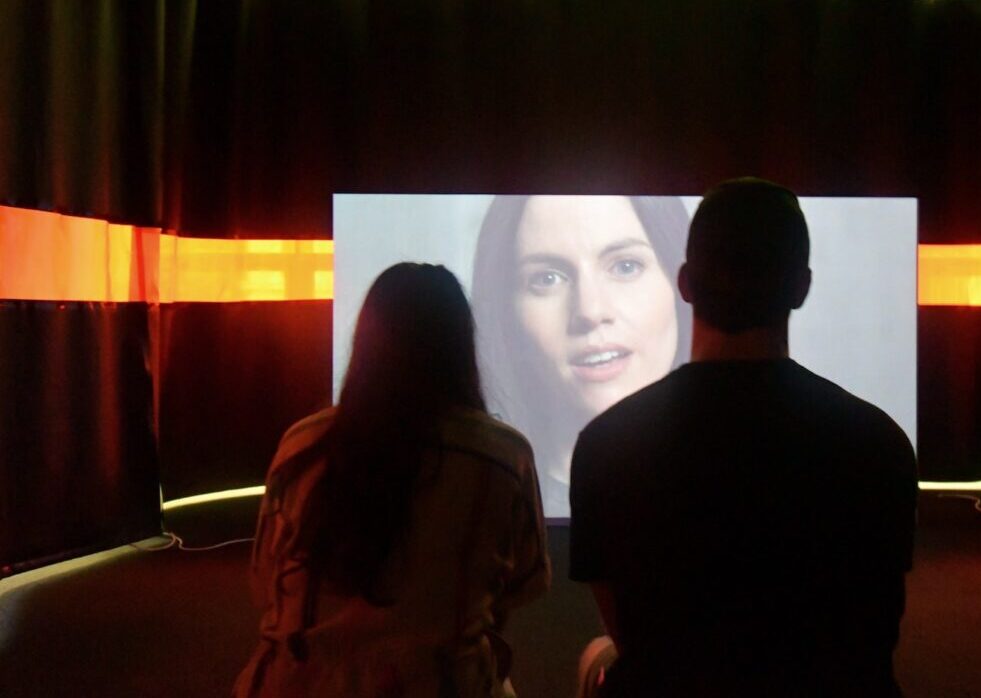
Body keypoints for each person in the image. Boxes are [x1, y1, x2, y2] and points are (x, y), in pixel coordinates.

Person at [569, 178, 918, 696]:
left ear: (685, 283)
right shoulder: (878, 442)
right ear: (801, 287)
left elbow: (632, 634)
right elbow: (872, 627)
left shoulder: (606, 445)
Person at [234, 263, 549, 698]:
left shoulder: (302, 445)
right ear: (461, 347)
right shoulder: (503, 456)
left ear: (365, 341)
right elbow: (527, 583)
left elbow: (263, 579)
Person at [472, 195, 692, 516]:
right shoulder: (482, 502)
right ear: (507, 312)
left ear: (682, 285)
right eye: (547, 278)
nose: (590, 311)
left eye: (625, 266)